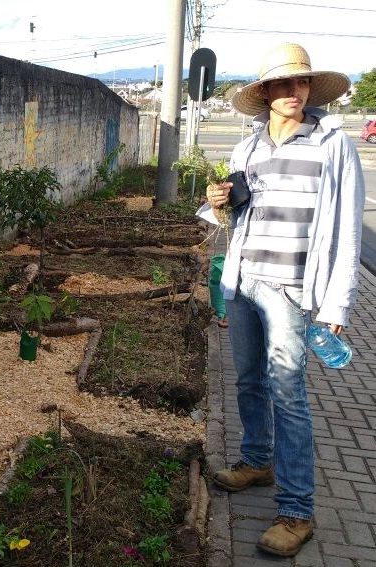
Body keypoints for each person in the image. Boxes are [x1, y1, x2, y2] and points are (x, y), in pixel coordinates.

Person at [199, 43, 364, 557]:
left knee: (288, 394)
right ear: (266, 93)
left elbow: (347, 229)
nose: (295, 92)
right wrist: (215, 202)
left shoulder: (333, 144)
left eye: (303, 83)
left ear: (310, 90)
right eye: (284, 84)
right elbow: (235, 215)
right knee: (249, 380)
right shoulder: (248, 147)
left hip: (292, 290)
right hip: (246, 282)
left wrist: (337, 306)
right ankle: (256, 459)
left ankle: (297, 510)